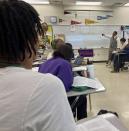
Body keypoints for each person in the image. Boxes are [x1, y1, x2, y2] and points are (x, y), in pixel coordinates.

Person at [0, 1, 76, 131]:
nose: (39, 41)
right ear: (30, 40)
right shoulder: (45, 86)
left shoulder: (48, 62)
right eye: (38, 35)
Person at [39, 44, 87, 120]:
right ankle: (82, 123)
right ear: (69, 56)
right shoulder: (64, 64)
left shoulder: (44, 64)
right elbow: (65, 86)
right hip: (56, 102)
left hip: (43, 102)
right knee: (82, 97)